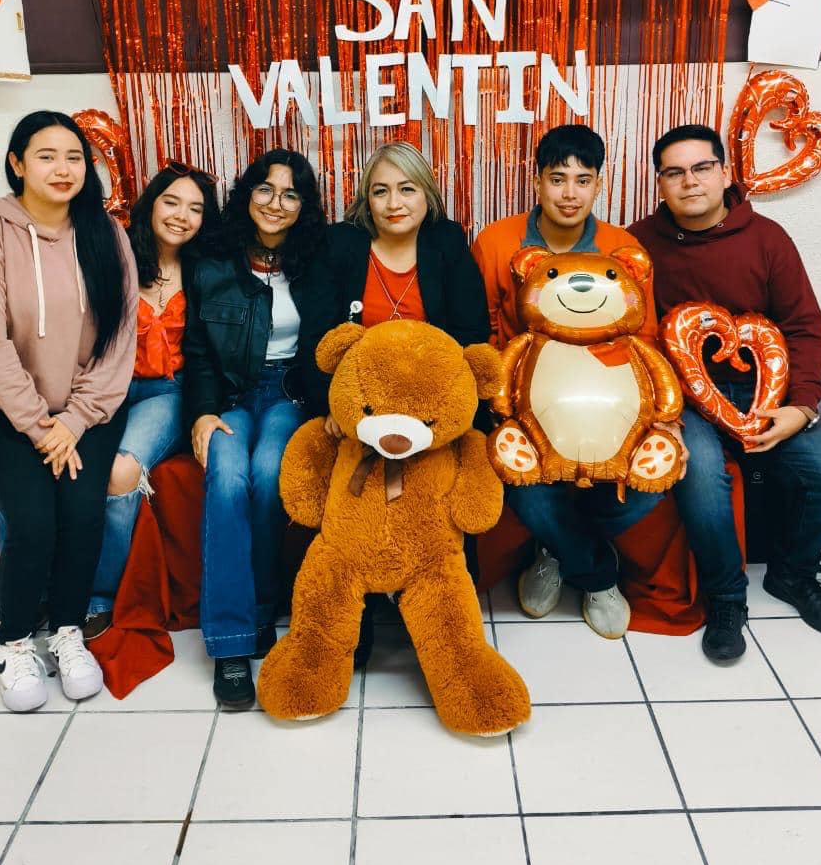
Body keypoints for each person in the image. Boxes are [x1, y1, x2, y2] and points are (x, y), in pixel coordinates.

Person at [629, 124, 821, 661]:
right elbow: (633, 336)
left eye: (701, 168)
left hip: (767, 391)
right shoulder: (637, 244)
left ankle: (793, 573)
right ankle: (727, 597)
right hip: (685, 398)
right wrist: (662, 410)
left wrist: (801, 406)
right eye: (674, 173)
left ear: (724, 173)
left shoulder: (768, 239)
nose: (690, 182)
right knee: (699, 473)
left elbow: (804, 327)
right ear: (660, 183)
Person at [0, 111, 138, 712]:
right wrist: (38, 425)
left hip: (85, 411)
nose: (63, 168)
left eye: (74, 157)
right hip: (1, 412)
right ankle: (12, 642)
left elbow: (119, 338)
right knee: (31, 522)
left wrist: (74, 421)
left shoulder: (106, 235)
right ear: (18, 164)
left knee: (82, 513)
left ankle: (66, 630)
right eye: (47, 156)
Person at [472, 123, 671, 639]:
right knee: (528, 492)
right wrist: (503, 407)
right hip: (529, 411)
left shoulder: (621, 247)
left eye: (583, 180)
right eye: (557, 179)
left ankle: (558, 548)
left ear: (599, 184)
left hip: (613, 406)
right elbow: (486, 331)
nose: (569, 193)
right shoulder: (497, 242)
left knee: (651, 487)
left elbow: (644, 334)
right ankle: (595, 574)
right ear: (537, 180)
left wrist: (655, 420)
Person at [183, 148, 326, 709]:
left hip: (289, 393)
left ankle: (264, 606)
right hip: (230, 395)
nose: (276, 203)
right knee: (226, 478)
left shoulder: (315, 260)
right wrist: (201, 412)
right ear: (247, 195)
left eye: (291, 194)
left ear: (304, 205)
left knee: (269, 474)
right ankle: (230, 642)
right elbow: (198, 351)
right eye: (265, 189)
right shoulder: (213, 261)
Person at [83, 162, 221, 639]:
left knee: (121, 470)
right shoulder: (116, 254)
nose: (182, 216)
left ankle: (100, 597)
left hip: (169, 392)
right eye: (172, 202)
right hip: (110, 388)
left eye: (195, 208)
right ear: (151, 204)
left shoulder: (206, 269)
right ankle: (48, 585)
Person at [300, 140, 490, 426]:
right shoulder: (338, 243)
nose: (393, 204)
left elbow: (471, 332)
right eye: (380, 191)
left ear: (427, 194)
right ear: (367, 200)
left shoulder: (447, 241)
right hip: (359, 402)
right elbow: (316, 339)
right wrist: (333, 405)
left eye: (407, 189)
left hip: (430, 400)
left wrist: (439, 406)